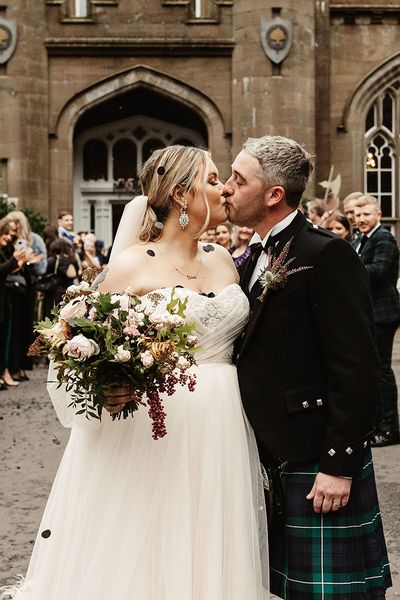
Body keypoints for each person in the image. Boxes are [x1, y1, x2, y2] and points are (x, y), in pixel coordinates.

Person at [3, 145, 268, 599]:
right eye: (212, 179)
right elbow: (73, 345)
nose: (223, 188)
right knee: (149, 536)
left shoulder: (223, 261)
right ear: (182, 195)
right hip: (155, 427)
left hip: (222, 424)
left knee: (213, 537)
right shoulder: (130, 265)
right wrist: (104, 387)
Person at [223, 135, 392, 598]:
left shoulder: (324, 254)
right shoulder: (253, 255)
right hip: (266, 450)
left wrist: (339, 463)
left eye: (239, 180)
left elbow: (357, 366)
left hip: (313, 453)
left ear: (274, 194)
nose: (226, 189)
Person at [353, 195, 400, 447]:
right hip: (367, 312)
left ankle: (390, 428)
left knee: (382, 370)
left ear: (378, 215)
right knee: (373, 369)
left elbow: (378, 271)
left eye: (366, 215)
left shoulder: (385, 239)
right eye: (358, 216)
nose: (361, 220)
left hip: (383, 313)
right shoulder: (360, 239)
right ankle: (376, 424)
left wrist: (348, 269)